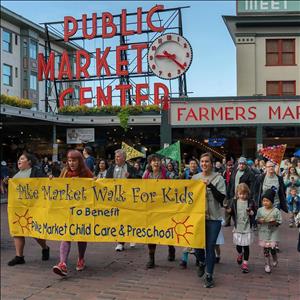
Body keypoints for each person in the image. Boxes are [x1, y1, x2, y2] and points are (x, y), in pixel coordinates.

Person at [52, 150, 93, 276]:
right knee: (67, 234)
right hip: (68, 209)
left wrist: (95, 181)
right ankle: (62, 263)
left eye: (74, 160)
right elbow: (58, 186)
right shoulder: (64, 172)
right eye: (69, 160)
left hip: (82, 210)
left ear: (79, 161)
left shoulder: (86, 172)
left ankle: (81, 259)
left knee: (80, 235)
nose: (71, 163)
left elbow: (94, 188)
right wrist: (52, 181)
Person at [7, 153, 50, 266]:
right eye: (19, 158)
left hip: (33, 208)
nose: (19, 160)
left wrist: (49, 179)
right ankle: (19, 256)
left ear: (29, 161)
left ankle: (45, 248)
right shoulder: (15, 175)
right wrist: (7, 182)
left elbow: (45, 184)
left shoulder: (36, 172)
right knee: (18, 231)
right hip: (18, 208)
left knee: (35, 232)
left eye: (22, 158)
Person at [192, 152, 226, 288]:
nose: (204, 164)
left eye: (207, 161)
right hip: (198, 217)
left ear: (211, 163)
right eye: (202, 161)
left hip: (214, 218)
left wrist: (210, 186)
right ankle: (201, 262)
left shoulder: (218, 178)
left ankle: (209, 275)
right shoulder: (194, 178)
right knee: (197, 246)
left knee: (210, 246)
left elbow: (222, 198)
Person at [143, 154, 175, 268]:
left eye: (158, 161)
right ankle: (151, 258)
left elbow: (173, 187)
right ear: (150, 163)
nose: (156, 163)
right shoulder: (146, 174)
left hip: (164, 208)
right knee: (151, 233)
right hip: (151, 208)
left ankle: (171, 248)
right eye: (153, 161)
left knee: (167, 230)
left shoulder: (166, 174)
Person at [106, 149, 137, 251]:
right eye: (116, 157)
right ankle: (120, 242)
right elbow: (106, 181)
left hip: (128, 198)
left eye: (118, 157)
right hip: (116, 198)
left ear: (124, 158)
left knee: (129, 219)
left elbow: (139, 180)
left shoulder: (131, 168)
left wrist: (131, 176)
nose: (116, 158)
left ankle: (131, 237)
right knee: (119, 220)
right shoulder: (111, 168)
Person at [226, 183, 256, 273]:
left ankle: (245, 263)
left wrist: (251, 212)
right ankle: (240, 253)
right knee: (238, 245)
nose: (243, 196)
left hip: (247, 227)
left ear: (248, 193)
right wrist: (229, 211)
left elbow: (254, 212)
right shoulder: (234, 202)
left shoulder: (250, 202)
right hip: (238, 227)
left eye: (244, 194)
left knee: (246, 246)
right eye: (240, 194)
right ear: (237, 194)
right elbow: (231, 212)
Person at [256, 188, 282, 273]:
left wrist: (274, 222)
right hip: (264, 232)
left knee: (272, 248)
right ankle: (267, 264)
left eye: (267, 201)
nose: (265, 202)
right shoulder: (260, 210)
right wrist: (260, 220)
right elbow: (256, 219)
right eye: (264, 201)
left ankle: (274, 258)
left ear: (272, 201)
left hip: (273, 233)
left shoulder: (276, 211)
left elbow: (279, 222)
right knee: (266, 249)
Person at [226, 157, 255, 227]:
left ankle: (246, 224)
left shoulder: (250, 173)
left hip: (243, 196)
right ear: (238, 164)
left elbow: (252, 187)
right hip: (234, 195)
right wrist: (228, 193)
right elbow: (230, 183)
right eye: (240, 164)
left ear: (246, 165)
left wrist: (249, 196)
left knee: (242, 211)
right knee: (233, 209)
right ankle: (234, 223)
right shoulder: (234, 171)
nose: (241, 165)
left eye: (243, 164)